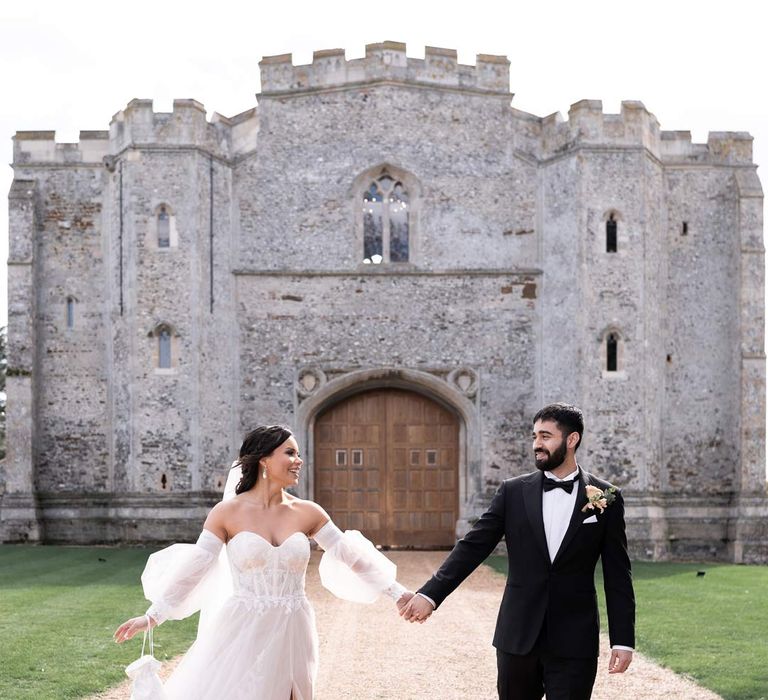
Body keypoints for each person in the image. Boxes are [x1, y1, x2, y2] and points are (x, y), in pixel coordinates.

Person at [115, 425, 411, 699]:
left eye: (298, 453)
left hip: (295, 624)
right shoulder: (225, 513)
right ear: (264, 460)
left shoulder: (309, 512)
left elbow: (353, 558)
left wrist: (398, 594)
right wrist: (153, 616)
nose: (299, 460)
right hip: (243, 626)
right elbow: (196, 568)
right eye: (290, 453)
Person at [400, 403, 635, 700]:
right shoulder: (512, 492)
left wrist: (623, 640)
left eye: (546, 436)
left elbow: (618, 575)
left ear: (572, 439)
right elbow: (473, 546)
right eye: (535, 436)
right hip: (517, 636)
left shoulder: (607, 497)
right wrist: (430, 595)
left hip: (575, 640)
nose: (537, 444)